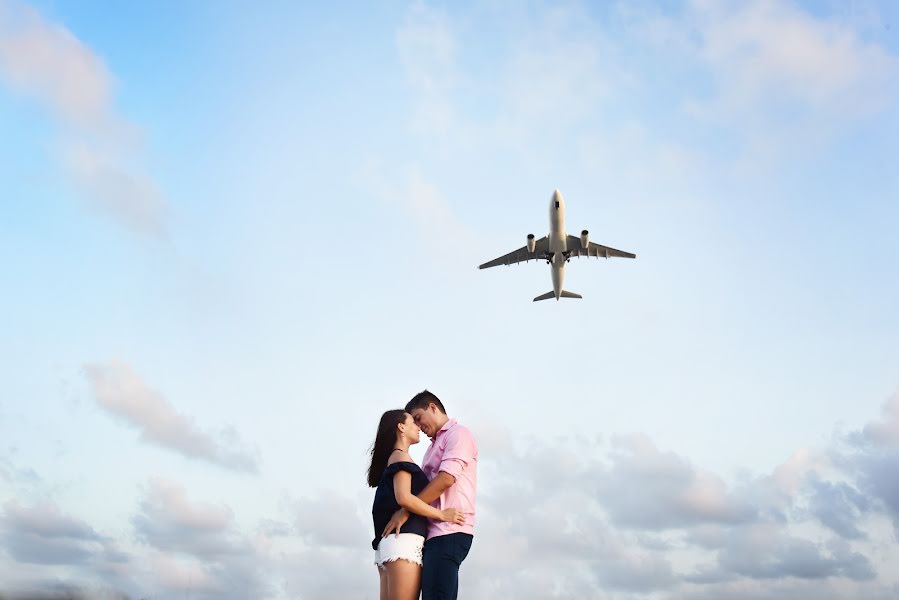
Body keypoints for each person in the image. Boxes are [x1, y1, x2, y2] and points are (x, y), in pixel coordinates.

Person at [382, 391, 478, 600]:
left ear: (432, 407)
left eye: (418, 418)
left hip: (448, 531)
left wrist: (405, 511)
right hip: (434, 533)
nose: (418, 425)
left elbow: (446, 479)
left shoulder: (458, 434)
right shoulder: (432, 447)